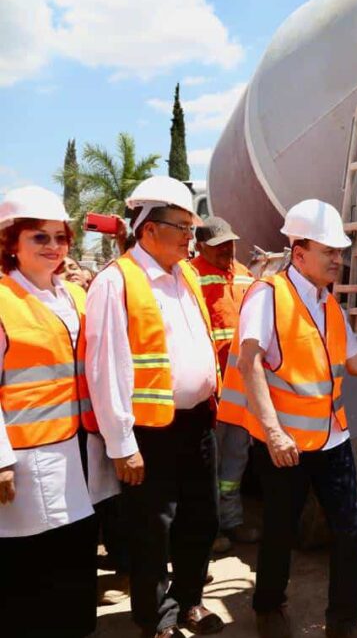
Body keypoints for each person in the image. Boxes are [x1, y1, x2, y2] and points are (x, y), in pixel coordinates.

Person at [217, 199, 357, 638]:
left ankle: (343, 622)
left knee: (350, 530)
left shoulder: (328, 304)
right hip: (286, 446)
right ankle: (268, 607)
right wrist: (274, 434)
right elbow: (249, 363)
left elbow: (355, 363)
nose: (339, 259)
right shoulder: (268, 295)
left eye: (340, 251)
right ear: (299, 252)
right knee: (280, 531)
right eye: (329, 251)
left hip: (332, 439)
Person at [85, 176, 225, 638]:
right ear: (148, 228)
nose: (192, 237)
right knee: (152, 528)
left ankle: (189, 602)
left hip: (197, 423)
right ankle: (156, 616)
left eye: (192, 227)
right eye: (183, 226)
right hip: (149, 432)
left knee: (200, 519)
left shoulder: (183, 275)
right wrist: (122, 443)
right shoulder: (115, 282)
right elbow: (104, 367)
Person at [0, 186, 118, 637]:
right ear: (13, 243)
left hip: (79, 451)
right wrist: (2, 460)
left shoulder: (75, 296)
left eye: (60, 238)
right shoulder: (4, 300)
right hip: (26, 460)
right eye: (39, 238)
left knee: (75, 553)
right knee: (28, 563)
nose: (53, 247)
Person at [191, 217, 261, 553]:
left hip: (241, 387)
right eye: (219, 246)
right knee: (207, 464)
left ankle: (231, 521)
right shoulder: (189, 276)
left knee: (236, 459)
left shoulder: (246, 275)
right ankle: (208, 529)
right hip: (211, 391)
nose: (227, 251)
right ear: (201, 246)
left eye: (231, 243)